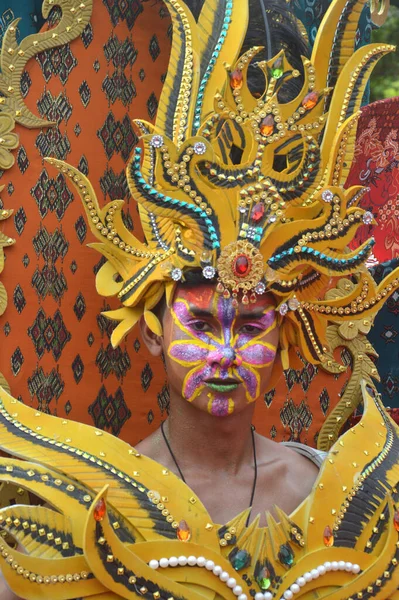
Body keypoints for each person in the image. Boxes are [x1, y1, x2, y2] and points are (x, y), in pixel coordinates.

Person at [0, 0, 398, 598]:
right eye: (204, 323)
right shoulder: (97, 509)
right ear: (153, 330)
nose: (226, 354)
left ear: (283, 334)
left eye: (252, 327)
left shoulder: (333, 493)